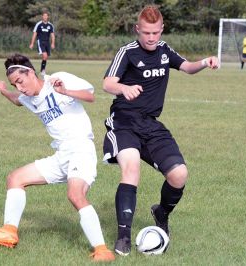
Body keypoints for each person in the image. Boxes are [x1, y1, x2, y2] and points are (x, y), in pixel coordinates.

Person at [102, 5, 219, 256]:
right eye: (146, 32)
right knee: (131, 168)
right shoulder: (128, 52)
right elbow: (107, 82)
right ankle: (123, 237)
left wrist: (205, 62)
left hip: (150, 124)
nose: (151, 37)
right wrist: (124, 89)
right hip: (124, 122)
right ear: (137, 29)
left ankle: (161, 213)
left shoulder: (165, 51)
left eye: (155, 32)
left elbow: (186, 67)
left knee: (179, 175)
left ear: (162, 29)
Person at [0, 54, 115, 262]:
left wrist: (64, 90)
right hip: (60, 156)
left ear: (30, 72)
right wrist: (5, 90)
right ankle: (9, 231)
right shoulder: (28, 98)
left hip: (80, 150)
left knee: (75, 196)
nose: (19, 88)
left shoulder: (56, 79)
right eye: (15, 84)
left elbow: (90, 96)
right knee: (15, 178)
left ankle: (102, 250)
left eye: (20, 82)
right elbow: (17, 100)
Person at [29, 10, 55, 76]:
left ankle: (42, 70)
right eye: (44, 16)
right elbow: (35, 34)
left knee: (45, 57)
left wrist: (52, 43)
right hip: (40, 42)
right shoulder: (39, 24)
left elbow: (52, 35)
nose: (45, 17)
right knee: (45, 55)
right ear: (42, 17)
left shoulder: (50, 25)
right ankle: (43, 71)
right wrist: (32, 43)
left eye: (46, 16)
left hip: (47, 43)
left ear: (48, 17)